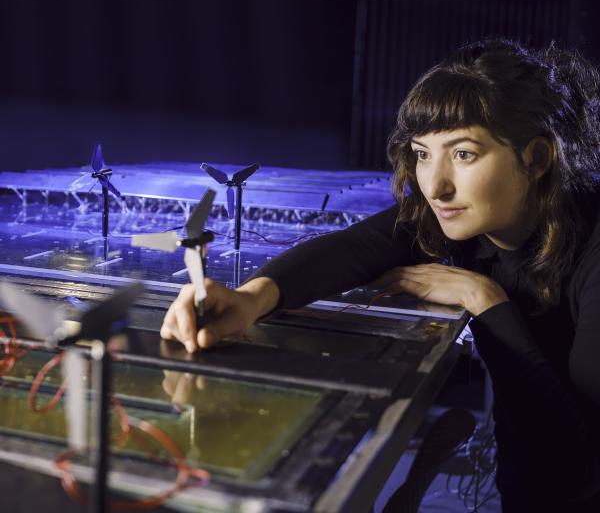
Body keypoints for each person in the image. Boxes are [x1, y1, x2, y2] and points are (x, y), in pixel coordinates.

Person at [160, 38, 600, 512]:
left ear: (536, 158)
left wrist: (485, 300)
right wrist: (250, 298)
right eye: (422, 153)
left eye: (465, 154)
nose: (435, 185)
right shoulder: (467, 213)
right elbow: (359, 246)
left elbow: (576, 454)